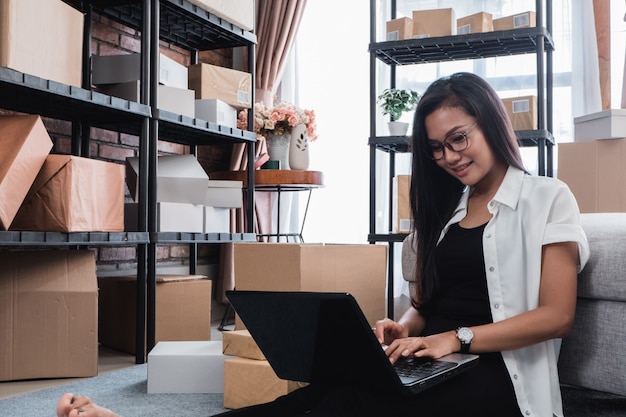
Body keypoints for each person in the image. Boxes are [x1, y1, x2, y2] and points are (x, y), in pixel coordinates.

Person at [56, 72, 589, 417]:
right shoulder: (444, 214)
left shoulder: (548, 198)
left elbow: (556, 316)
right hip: (436, 358)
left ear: (490, 123)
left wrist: (458, 339)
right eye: (435, 149)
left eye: (458, 138)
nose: (449, 157)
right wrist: (402, 328)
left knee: (351, 405)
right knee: (321, 395)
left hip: (500, 377)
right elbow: (428, 308)